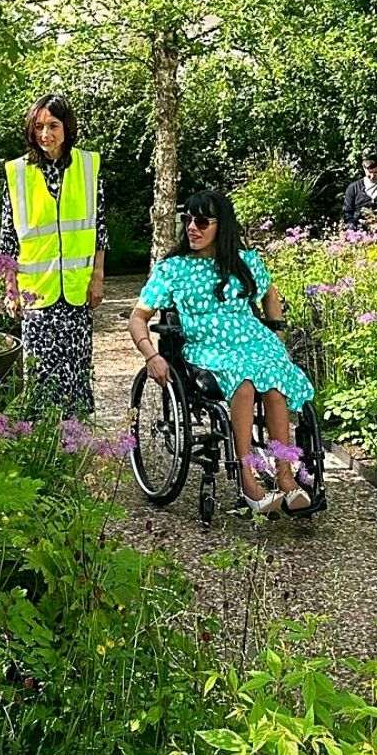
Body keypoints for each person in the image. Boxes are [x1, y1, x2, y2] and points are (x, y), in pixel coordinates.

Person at [128, 190, 314, 514]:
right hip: (208, 347)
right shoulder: (173, 268)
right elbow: (138, 317)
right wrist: (151, 355)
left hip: (254, 341)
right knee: (242, 382)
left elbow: (270, 294)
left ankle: (285, 476)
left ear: (221, 226)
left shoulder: (243, 262)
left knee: (275, 386)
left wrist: (275, 328)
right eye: (188, 220)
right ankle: (247, 478)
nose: (192, 228)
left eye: (202, 221)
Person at [0, 94, 106, 415]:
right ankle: (42, 448)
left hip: (76, 289)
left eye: (53, 126)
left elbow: (99, 228)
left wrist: (98, 277)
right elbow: (8, 237)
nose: (46, 134)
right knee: (40, 374)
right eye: (39, 126)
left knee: (75, 372)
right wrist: (10, 288)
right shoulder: (17, 173)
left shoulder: (88, 167)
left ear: (66, 127)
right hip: (36, 293)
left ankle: (76, 442)